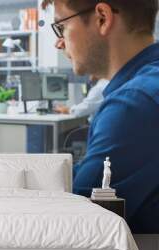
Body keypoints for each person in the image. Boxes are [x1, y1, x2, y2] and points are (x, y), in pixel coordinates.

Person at [42, 0, 159, 233]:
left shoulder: (134, 105)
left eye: (61, 27)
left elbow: (74, 222)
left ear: (102, 18)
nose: (59, 43)